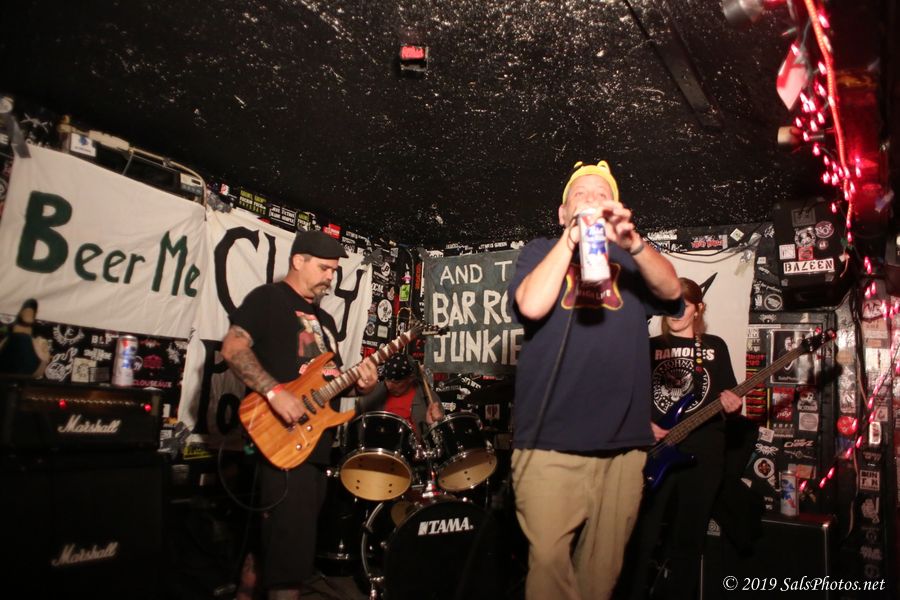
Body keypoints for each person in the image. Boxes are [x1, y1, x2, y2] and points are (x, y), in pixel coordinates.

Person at [508, 160, 683, 600]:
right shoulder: (539, 251)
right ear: (562, 212)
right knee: (548, 565)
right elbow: (531, 305)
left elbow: (673, 291)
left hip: (623, 446)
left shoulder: (632, 259)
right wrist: (569, 241)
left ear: (615, 208)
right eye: (580, 195)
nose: (590, 200)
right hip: (549, 442)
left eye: (600, 194)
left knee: (601, 575)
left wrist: (634, 243)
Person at [221, 229, 379, 600]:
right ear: (298, 261)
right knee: (288, 566)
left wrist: (361, 384)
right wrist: (275, 392)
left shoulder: (324, 322)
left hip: (313, 446)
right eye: (324, 268)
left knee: (271, 550)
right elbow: (233, 348)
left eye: (334, 270)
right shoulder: (268, 299)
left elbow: (329, 382)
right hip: (282, 443)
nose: (330, 276)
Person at [622, 277, 744, 600]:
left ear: (698, 309)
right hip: (656, 453)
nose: (675, 312)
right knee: (642, 537)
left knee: (689, 540)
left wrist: (734, 407)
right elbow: (626, 398)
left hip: (704, 455)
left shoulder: (715, 346)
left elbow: (728, 399)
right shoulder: (649, 347)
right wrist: (641, 424)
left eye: (684, 305)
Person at [360, 352, 444, 435]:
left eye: (396, 382)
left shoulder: (430, 399)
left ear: (411, 378)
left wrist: (433, 425)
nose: (389, 386)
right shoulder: (372, 393)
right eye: (387, 380)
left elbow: (437, 439)